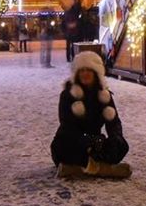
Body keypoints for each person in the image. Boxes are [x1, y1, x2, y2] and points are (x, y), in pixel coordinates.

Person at [50, 50, 131, 178]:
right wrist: (88, 141)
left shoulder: (104, 96)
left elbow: (114, 122)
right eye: (82, 70)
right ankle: (103, 169)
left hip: (96, 144)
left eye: (89, 70)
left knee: (120, 145)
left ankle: (79, 169)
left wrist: (115, 138)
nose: (85, 74)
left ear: (96, 73)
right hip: (73, 141)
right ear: (77, 74)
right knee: (63, 146)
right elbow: (67, 126)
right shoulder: (67, 95)